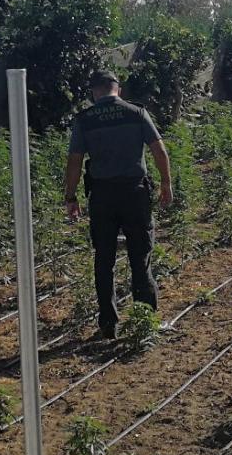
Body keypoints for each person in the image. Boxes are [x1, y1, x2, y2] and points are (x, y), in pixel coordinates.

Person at [64, 70, 174, 339]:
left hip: (102, 196)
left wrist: (71, 197)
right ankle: (145, 320)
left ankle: (108, 324)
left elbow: (75, 161)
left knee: (104, 259)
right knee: (141, 256)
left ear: (94, 92)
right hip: (134, 193)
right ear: (118, 89)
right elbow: (159, 150)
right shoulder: (136, 113)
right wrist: (166, 183)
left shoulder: (84, 120)